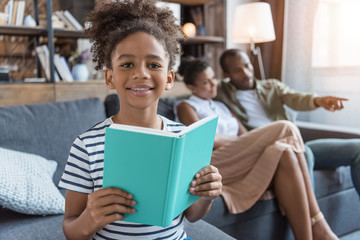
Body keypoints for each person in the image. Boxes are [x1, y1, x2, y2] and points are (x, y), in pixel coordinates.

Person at [58, 1, 223, 239]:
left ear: (168, 79)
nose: (141, 73)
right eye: (127, 64)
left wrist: (207, 196)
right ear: (109, 77)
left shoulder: (183, 139)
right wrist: (89, 219)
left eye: (153, 64)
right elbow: (71, 230)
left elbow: (193, 215)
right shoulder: (87, 145)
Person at [175, 57, 338, 240]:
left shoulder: (221, 105)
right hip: (215, 162)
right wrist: (248, 143)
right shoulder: (186, 106)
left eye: (213, 78)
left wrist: (249, 142)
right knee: (286, 127)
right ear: (191, 87)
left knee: (284, 150)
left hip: (239, 155)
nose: (214, 84)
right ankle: (320, 225)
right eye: (206, 82)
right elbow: (208, 142)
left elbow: (245, 135)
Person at [216, 48, 360, 197]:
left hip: (295, 143)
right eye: (237, 70)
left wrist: (317, 100)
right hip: (271, 152)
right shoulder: (220, 93)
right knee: (305, 154)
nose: (245, 73)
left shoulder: (271, 86)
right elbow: (199, 88)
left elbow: (295, 98)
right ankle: (311, 215)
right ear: (227, 75)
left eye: (247, 65)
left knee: (357, 148)